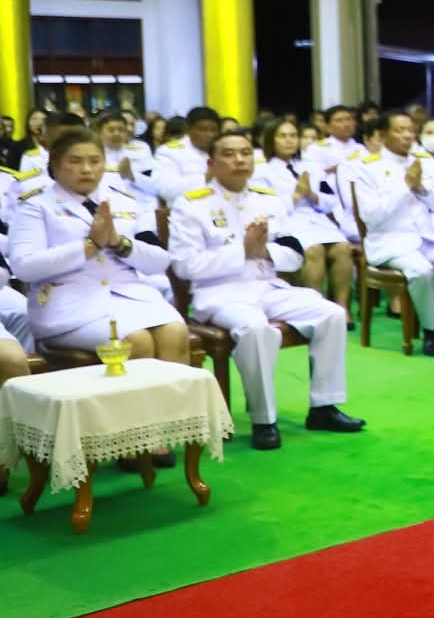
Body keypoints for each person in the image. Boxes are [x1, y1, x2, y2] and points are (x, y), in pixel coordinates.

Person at [172, 130, 359, 449]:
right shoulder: (192, 205)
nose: (239, 160)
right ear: (212, 163)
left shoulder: (267, 199)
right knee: (256, 329)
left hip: (267, 285)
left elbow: (295, 250)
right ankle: (264, 419)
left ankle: (323, 407)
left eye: (245, 153)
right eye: (229, 154)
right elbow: (184, 266)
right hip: (220, 292)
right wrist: (241, 252)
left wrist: (264, 252)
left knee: (330, 313)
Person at [10, 126, 192, 367]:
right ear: (54, 164)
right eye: (75, 161)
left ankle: (173, 406)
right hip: (68, 306)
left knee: (175, 334)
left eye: (95, 161)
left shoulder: (123, 201)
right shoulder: (36, 206)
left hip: (131, 297)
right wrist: (89, 245)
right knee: (136, 342)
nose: (87, 169)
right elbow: (24, 266)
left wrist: (118, 243)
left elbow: (159, 260)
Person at [341, 111, 434, 357]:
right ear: (383, 135)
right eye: (400, 130)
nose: (407, 135)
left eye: (410, 130)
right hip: (389, 242)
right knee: (421, 270)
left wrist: (422, 189)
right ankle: (432, 331)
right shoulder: (367, 168)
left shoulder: (424, 161)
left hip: (426, 238)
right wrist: (405, 185)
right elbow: (371, 217)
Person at [257, 118, 355, 313]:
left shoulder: (310, 166)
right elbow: (263, 207)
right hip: (285, 223)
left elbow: (330, 201)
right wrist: (295, 196)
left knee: (342, 248)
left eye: (293, 136)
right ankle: (315, 306)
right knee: (314, 250)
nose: (289, 141)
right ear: (271, 140)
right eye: (283, 136)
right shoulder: (262, 170)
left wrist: (311, 194)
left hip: (316, 220)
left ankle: (342, 308)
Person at [155, 106, 221, 190]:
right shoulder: (169, 152)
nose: (209, 134)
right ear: (189, 129)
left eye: (213, 130)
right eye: (202, 130)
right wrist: (206, 178)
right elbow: (167, 189)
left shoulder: (222, 151)